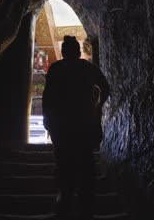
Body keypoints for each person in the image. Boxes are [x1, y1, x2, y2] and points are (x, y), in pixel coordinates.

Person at [42, 35, 110, 220]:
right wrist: (96, 108)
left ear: (63, 52)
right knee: (86, 165)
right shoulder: (88, 68)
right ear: (79, 52)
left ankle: (64, 204)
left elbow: (47, 97)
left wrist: (47, 120)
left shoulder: (56, 68)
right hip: (83, 126)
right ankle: (86, 208)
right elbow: (106, 87)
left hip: (62, 127)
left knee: (64, 166)